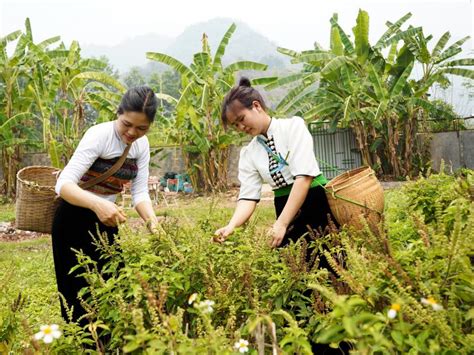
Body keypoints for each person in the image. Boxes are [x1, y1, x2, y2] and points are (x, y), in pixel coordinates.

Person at [52, 86, 160, 326]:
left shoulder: (141, 146)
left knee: (113, 285)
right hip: (72, 218)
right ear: (117, 113)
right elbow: (64, 184)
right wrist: (97, 204)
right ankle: (85, 346)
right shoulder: (98, 135)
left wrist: (154, 225)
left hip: (107, 220)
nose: (132, 132)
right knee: (77, 293)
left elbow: (140, 192)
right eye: (126, 124)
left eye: (141, 128)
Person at [214, 77, 336, 249]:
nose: (241, 127)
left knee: (330, 262)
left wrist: (281, 224)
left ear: (256, 106)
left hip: (315, 201)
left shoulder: (293, 127)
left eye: (242, 119)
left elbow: (304, 178)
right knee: (294, 265)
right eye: (235, 125)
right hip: (283, 206)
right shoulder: (249, 153)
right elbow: (248, 197)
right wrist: (231, 225)